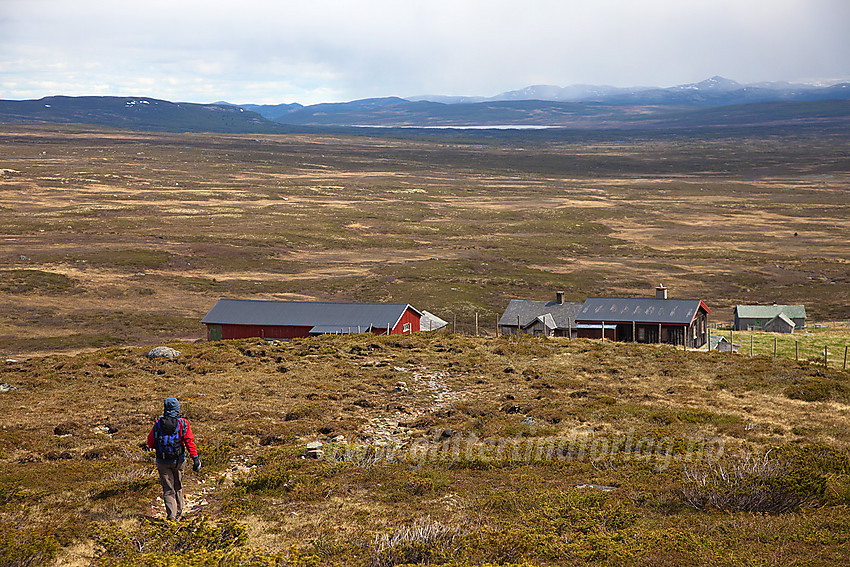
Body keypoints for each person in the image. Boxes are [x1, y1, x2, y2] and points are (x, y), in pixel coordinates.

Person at [146, 397, 201, 521]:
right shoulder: (183, 423)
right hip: (179, 461)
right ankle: (179, 513)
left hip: (162, 461)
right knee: (178, 486)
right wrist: (195, 459)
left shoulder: (158, 423)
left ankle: (171, 516)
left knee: (168, 489)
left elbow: (150, 442)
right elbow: (189, 442)